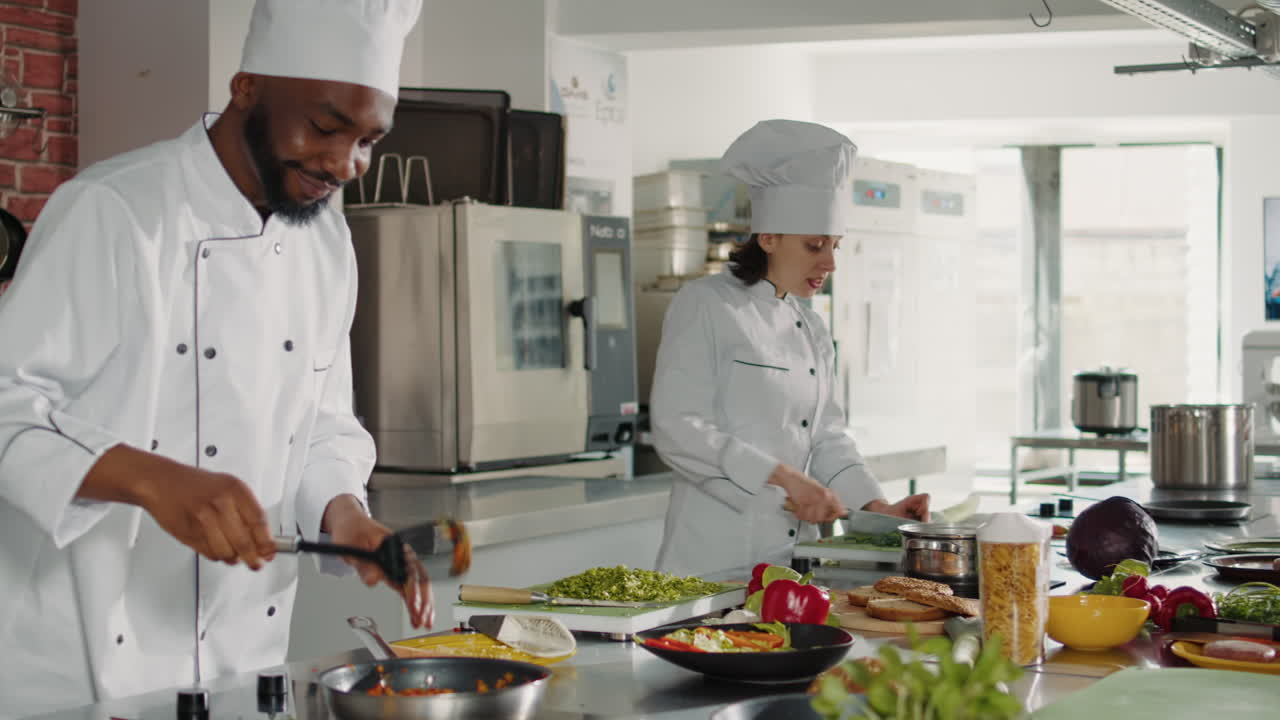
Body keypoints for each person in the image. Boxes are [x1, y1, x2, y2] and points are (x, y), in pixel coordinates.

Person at [0, 1, 428, 715]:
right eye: (326, 126)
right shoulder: (116, 211)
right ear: (246, 87)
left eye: (368, 140)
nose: (344, 163)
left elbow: (321, 423)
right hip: (82, 662)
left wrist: (346, 518)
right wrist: (153, 479)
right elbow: (8, 406)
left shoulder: (326, 244)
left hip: (241, 662)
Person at [651, 119, 931, 576]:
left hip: (793, 560)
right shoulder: (705, 304)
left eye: (836, 246)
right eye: (815, 246)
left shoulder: (811, 325)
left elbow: (826, 436)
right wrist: (783, 478)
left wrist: (879, 509)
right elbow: (677, 426)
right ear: (768, 238)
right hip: (711, 560)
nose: (830, 263)